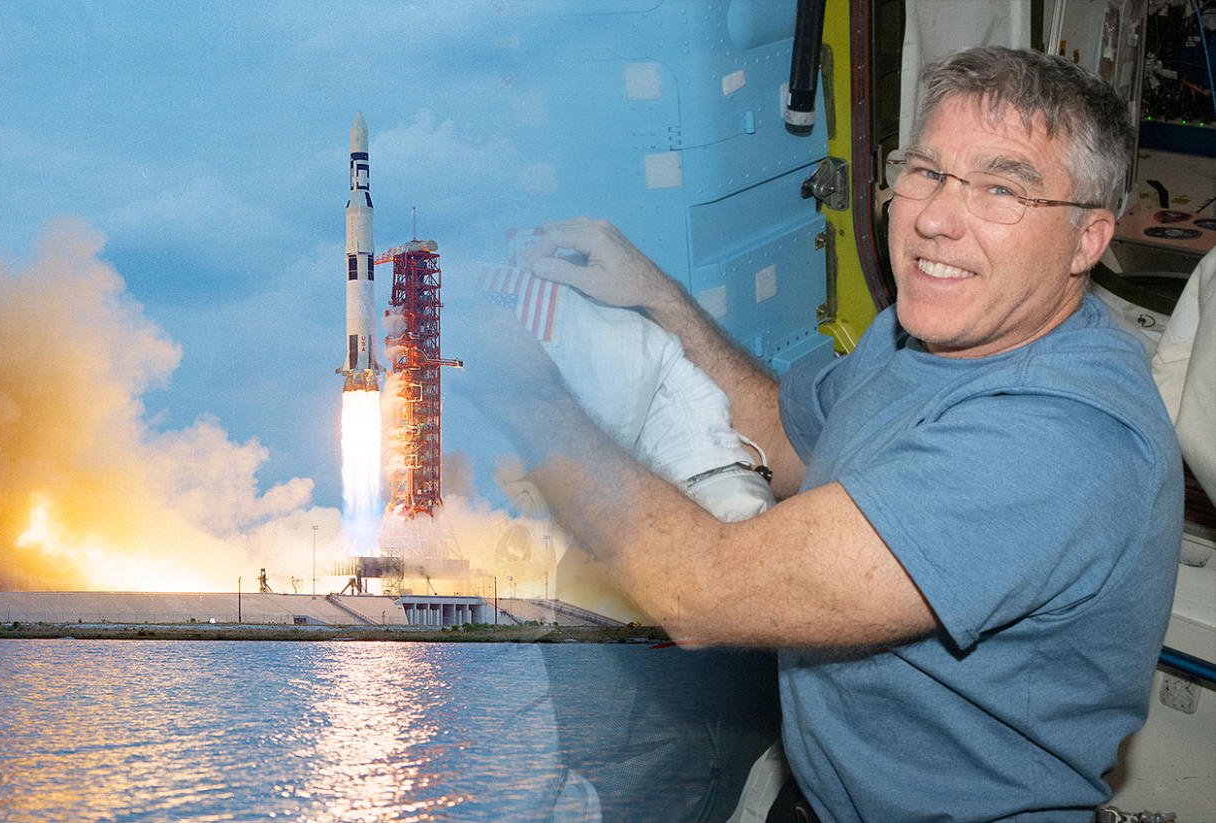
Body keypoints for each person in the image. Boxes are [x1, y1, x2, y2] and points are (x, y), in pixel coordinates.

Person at [475, 46, 1182, 821]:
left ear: (1088, 239)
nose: (936, 219)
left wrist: (522, 388)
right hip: (823, 790)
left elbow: (699, 591)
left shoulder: (1058, 441)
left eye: (1003, 188)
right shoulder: (931, 330)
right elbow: (791, 437)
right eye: (926, 171)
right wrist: (658, 297)